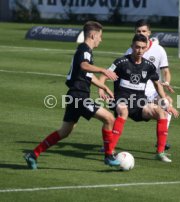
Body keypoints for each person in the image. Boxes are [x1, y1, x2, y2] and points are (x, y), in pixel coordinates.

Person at [24, 21, 120, 169]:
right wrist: (103, 70)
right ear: (93, 35)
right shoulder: (84, 49)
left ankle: (33, 154)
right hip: (79, 97)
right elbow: (84, 66)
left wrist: (104, 87)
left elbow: (87, 74)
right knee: (109, 118)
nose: (101, 39)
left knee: (64, 132)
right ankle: (108, 156)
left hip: (73, 96)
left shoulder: (85, 51)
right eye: (100, 36)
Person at [99, 34, 179, 163]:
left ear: (146, 48)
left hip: (139, 103)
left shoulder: (149, 66)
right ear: (132, 47)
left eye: (143, 48)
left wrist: (166, 103)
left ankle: (160, 152)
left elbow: (157, 84)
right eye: (137, 47)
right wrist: (101, 88)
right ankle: (110, 151)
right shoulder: (121, 62)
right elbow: (104, 76)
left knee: (161, 112)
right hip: (121, 101)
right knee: (123, 110)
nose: (140, 50)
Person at [125, 19, 175, 150]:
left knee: (168, 102)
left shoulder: (159, 50)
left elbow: (166, 71)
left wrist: (166, 81)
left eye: (144, 31)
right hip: (136, 91)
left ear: (149, 32)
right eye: (138, 31)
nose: (141, 33)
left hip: (153, 90)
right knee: (120, 112)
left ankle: (161, 142)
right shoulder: (130, 50)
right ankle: (108, 142)